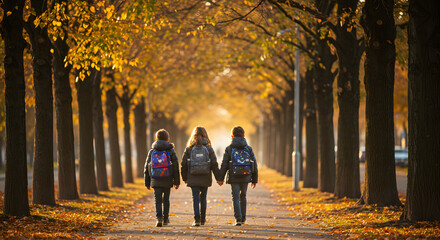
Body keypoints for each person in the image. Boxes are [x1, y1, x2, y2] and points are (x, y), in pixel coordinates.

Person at [218, 126, 258, 226]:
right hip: (246, 176)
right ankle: (243, 218)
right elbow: (254, 164)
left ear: (232, 136)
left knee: (235, 197)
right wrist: (254, 179)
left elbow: (224, 164)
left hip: (234, 176)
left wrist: (220, 178)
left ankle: (238, 219)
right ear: (244, 136)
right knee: (243, 196)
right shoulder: (248, 148)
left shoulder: (229, 148)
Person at [181, 126, 220, 226]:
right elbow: (214, 164)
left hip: (192, 176)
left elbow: (183, 164)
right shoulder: (209, 148)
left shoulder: (189, 149)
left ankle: (196, 220)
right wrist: (219, 178)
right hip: (205, 176)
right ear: (205, 135)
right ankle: (203, 219)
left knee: (195, 198)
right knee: (203, 197)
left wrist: (185, 177)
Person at [144, 129, 180, 227]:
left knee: (158, 200)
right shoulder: (170, 150)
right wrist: (177, 182)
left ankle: (159, 218)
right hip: (167, 178)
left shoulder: (152, 150)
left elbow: (147, 167)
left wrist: (147, 182)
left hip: (155, 179)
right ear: (167, 139)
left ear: (156, 138)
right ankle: (166, 218)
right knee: (166, 199)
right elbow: (176, 166)